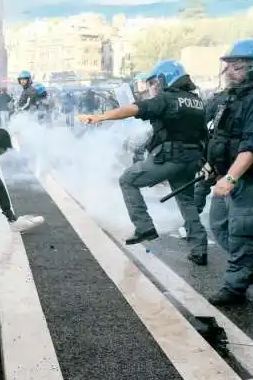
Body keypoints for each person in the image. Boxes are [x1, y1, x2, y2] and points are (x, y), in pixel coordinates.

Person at [78, 60, 208, 266]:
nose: (153, 87)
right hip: (192, 159)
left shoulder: (166, 99)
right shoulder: (197, 101)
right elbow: (205, 134)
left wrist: (100, 117)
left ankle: (144, 226)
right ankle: (200, 248)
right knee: (187, 203)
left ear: (166, 79)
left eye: (156, 82)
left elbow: (133, 109)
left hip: (170, 157)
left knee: (128, 180)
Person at [201, 40, 253, 306]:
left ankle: (234, 288)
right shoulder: (233, 96)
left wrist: (231, 178)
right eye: (230, 67)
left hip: (247, 178)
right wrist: (213, 165)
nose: (230, 72)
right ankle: (252, 267)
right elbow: (219, 135)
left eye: (238, 67)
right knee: (219, 225)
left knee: (242, 232)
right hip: (226, 175)